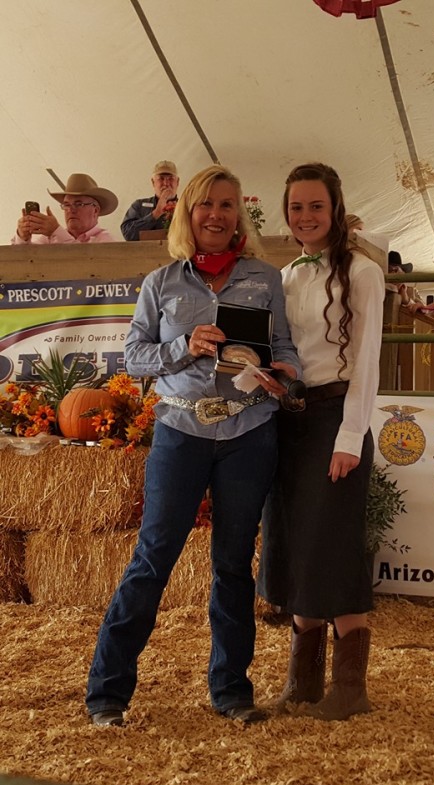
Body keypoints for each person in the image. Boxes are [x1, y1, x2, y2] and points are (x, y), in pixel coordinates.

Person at [86, 164, 301, 727]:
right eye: (206, 204)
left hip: (248, 433)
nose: (216, 215)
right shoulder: (161, 283)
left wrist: (285, 375)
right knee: (152, 558)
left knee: (233, 564)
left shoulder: (265, 278)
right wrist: (184, 344)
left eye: (227, 205)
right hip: (180, 433)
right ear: (188, 213)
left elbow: (286, 348)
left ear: (239, 217)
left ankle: (231, 691)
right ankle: (107, 693)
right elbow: (133, 358)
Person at [257, 162, 385, 721]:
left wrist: (350, 435)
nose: (305, 216)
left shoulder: (362, 272)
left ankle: (350, 690)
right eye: (296, 207)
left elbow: (368, 363)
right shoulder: (286, 276)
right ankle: (304, 686)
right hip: (290, 418)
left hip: (336, 419)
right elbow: (286, 354)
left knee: (331, 545)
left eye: (315, 205)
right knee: (294, 545)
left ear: (334, 208)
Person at [12, 174, 118, 244]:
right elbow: (24, 262)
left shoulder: (106, 241)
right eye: (66, 205)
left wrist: (56, 231)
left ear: (95, 210)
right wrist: (22, 237)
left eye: (78, 204)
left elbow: (84, 262)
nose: (71, 210)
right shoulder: (50, 238)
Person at [120, 160, 180, 241]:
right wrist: (156, 213)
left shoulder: (186, 206)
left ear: (177, 182)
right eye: (161, 178)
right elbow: (128, 234)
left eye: (170, 179)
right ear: (153, 182)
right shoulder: (139, 206)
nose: (166, 183)